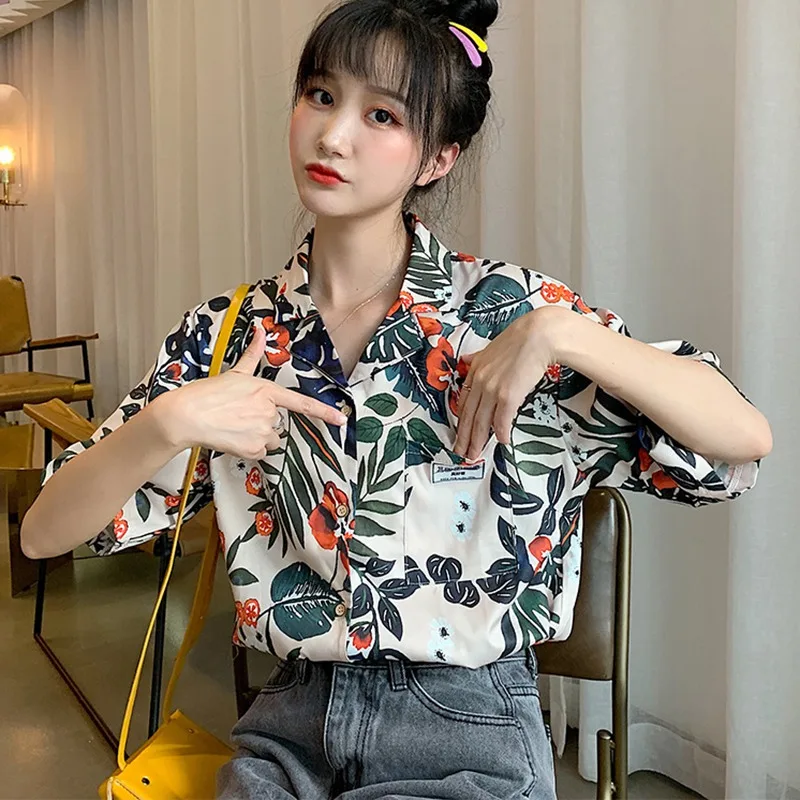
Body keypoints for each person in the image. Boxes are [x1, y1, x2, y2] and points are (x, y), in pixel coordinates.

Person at [22, 0, 772, 797]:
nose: (332, 135)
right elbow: (44, 533)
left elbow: (740, 441)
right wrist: (168, 421)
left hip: (469, 731)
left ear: (438, 157)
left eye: (381, 115)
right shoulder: (230, 331)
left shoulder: (506, 315)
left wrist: (567, 335)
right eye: (320, 95)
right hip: (288, 730)